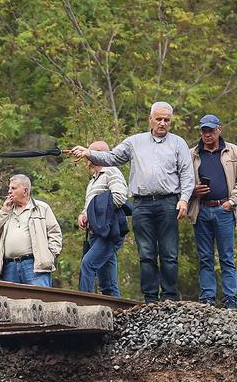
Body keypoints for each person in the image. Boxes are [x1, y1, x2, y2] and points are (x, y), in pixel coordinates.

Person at [69, 101, 193, 301]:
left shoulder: (178, 143)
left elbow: (187, 175)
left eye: (167, 120)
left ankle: (169, 297)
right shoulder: (135, 142)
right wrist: (88, 153)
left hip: (168, 202)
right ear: (150, 120)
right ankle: (150, 298)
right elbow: (112, 157)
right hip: (142, 204)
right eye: (159, 119)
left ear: (171, 122)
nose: (162, 123)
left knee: (169, 253)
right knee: (146, 254)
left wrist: (184, 200)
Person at [187, 115, 237, 309]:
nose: (207, 134)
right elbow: (182, 182)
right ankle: (207, 298)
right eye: (204, 131)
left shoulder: (234, 152)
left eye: (211, 131)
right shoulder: (192, 154)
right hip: (201, 210)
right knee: (205, 256)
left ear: (219, 130)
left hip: (224, 209)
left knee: (226, 257)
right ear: (200, 132)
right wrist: (193, 190)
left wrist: (232, 201)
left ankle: (230, 299)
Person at [0, 173, 62, 286]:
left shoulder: (42, 208)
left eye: (13, 188)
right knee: (11, 302)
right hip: (9, 266)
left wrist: (50, 255)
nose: (9, 191)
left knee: (39, 300)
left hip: (34, 265)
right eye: (9, 188)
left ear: (25, 191)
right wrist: (4, 212)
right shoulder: (5, 211)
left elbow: (55, 232)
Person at [76, 141, 129, 296]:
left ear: (99, 152)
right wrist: (84, 214)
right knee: (107, 283)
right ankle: (116, 312)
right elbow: (91, 205)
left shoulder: (112, 171)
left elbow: (119, 197)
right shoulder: (94, 179)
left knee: (87, 264)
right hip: (96, 233)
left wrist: (95, 215)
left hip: (109, 232)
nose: (87, 156)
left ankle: (83, 304)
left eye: (89, 152)